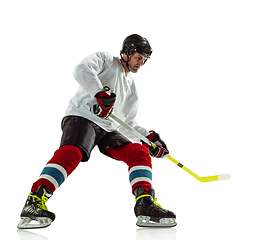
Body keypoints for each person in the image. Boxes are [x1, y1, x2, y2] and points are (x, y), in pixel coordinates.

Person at [17, 34, 176, 229]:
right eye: (138, 57)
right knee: (73, 152)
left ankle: (144, 203)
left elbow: (127, 121)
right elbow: (81, 70)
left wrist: (148, 138)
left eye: (144, 60)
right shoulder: (107, 60)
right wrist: (99, 93)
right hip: (83, 116)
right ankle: (34, 201)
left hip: (107, 129)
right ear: (126, 52)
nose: (141, 63)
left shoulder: (131, 87)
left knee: (139, 152)